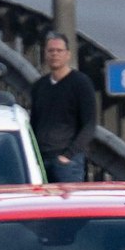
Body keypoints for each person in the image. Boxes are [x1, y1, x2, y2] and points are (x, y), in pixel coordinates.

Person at [28, 32, 96, 183]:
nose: (55, 54)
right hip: (40, 160)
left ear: (68, 54)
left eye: (59, 51)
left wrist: (68, 156)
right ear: (45, 54)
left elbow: (89, 124)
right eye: (51, 51)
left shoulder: (80, 83)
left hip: (67, 162)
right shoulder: (40, 86)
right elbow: (34, 123)